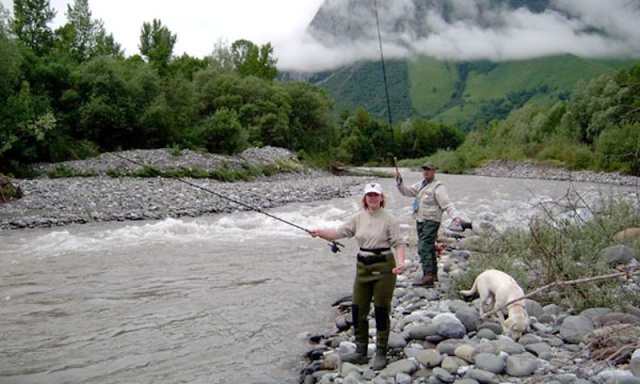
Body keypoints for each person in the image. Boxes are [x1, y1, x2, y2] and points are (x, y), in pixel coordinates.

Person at [310, 182, 405, 370]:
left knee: (380, 309)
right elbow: (338, 233)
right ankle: (361, 352)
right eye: (369, 195)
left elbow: (399, 243)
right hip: (363, 267)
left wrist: (401, 263)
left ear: (381, 197)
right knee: (358, 308)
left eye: (375, 195)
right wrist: (319, 232)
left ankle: (380, 352)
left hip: (384, 267)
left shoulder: (390, 219)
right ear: (365, 198)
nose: (372, 198)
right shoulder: (357, 218)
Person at [395, 161, 465, 287]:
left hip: (432, 221)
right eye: (424, 169)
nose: (426, 172)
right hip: (420, 220)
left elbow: (447, 204)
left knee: (423, 247)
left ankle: (428, 277)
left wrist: (455, 217)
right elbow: (406, 191)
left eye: (428, 170)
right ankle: (433, 274)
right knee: (430, 248)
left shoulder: (438, 188)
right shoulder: (420, 185)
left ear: (434, 171)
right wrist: (399, 182)